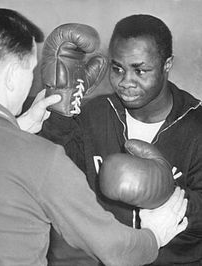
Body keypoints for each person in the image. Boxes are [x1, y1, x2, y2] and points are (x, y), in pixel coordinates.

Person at [0, 8, 188, 266]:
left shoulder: (193, 121)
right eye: (31, 69)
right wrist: (155, 234)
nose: (126, 82)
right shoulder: (41, 159)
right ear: (13, 75)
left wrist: (18, 127)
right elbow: (115, 251)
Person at [40, 14, 202, 266]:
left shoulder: (196, 126)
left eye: (140, 70)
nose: (126, 81)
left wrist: (165, 196)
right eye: (117, 68)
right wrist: (59, 114)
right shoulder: (95, 114)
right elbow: (50, 171)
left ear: (167, 64)